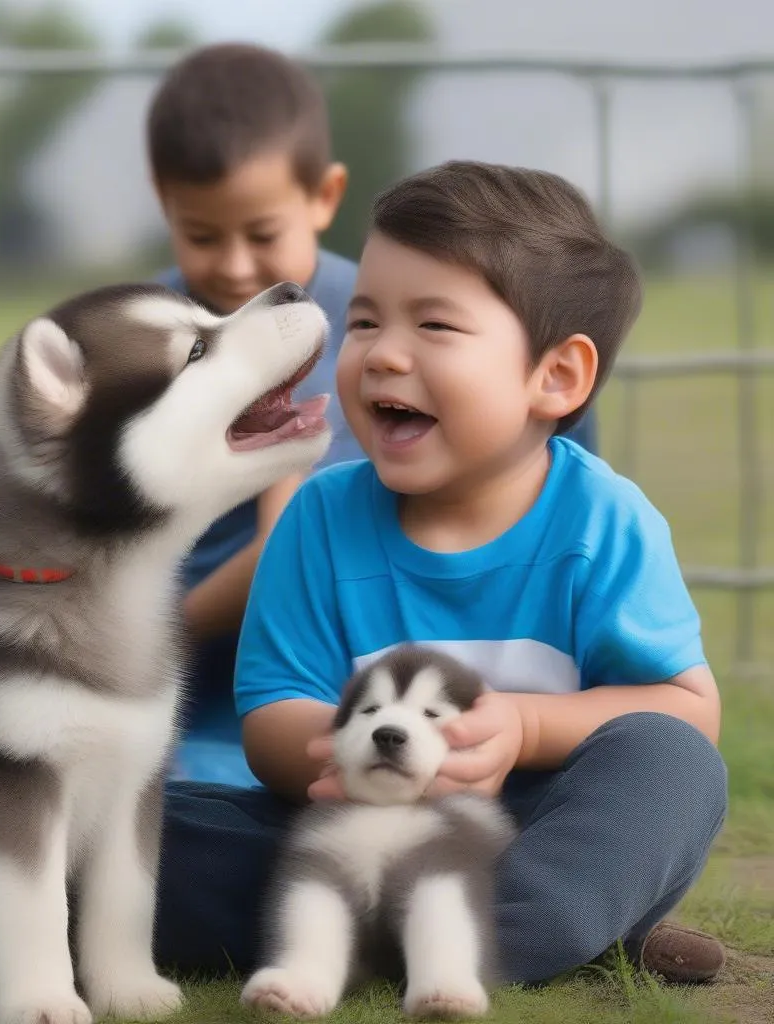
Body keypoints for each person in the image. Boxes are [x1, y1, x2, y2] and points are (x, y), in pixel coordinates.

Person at [154, 161, 727, 986]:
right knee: (136, 830)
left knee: (672, 767)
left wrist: (526, 728)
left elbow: (684, 708)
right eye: (363, 322)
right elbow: (274, 720)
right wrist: (364, 759)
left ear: (556, 376)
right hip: (346, 834)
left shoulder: (603, 520)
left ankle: (502, 927)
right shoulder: (318, 520)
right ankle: (517, 937)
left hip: (534, 828)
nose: (383, 355)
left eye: (435, 326)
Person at [146, 42, 364, 786]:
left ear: (325, 196)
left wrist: (150, 639)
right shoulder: (143, 335)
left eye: (263, 235)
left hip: (310, 671)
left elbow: (285, 553)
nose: (236, 267)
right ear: (163, 200)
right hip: (162, 679)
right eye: (203, 236)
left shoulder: (373, 330)